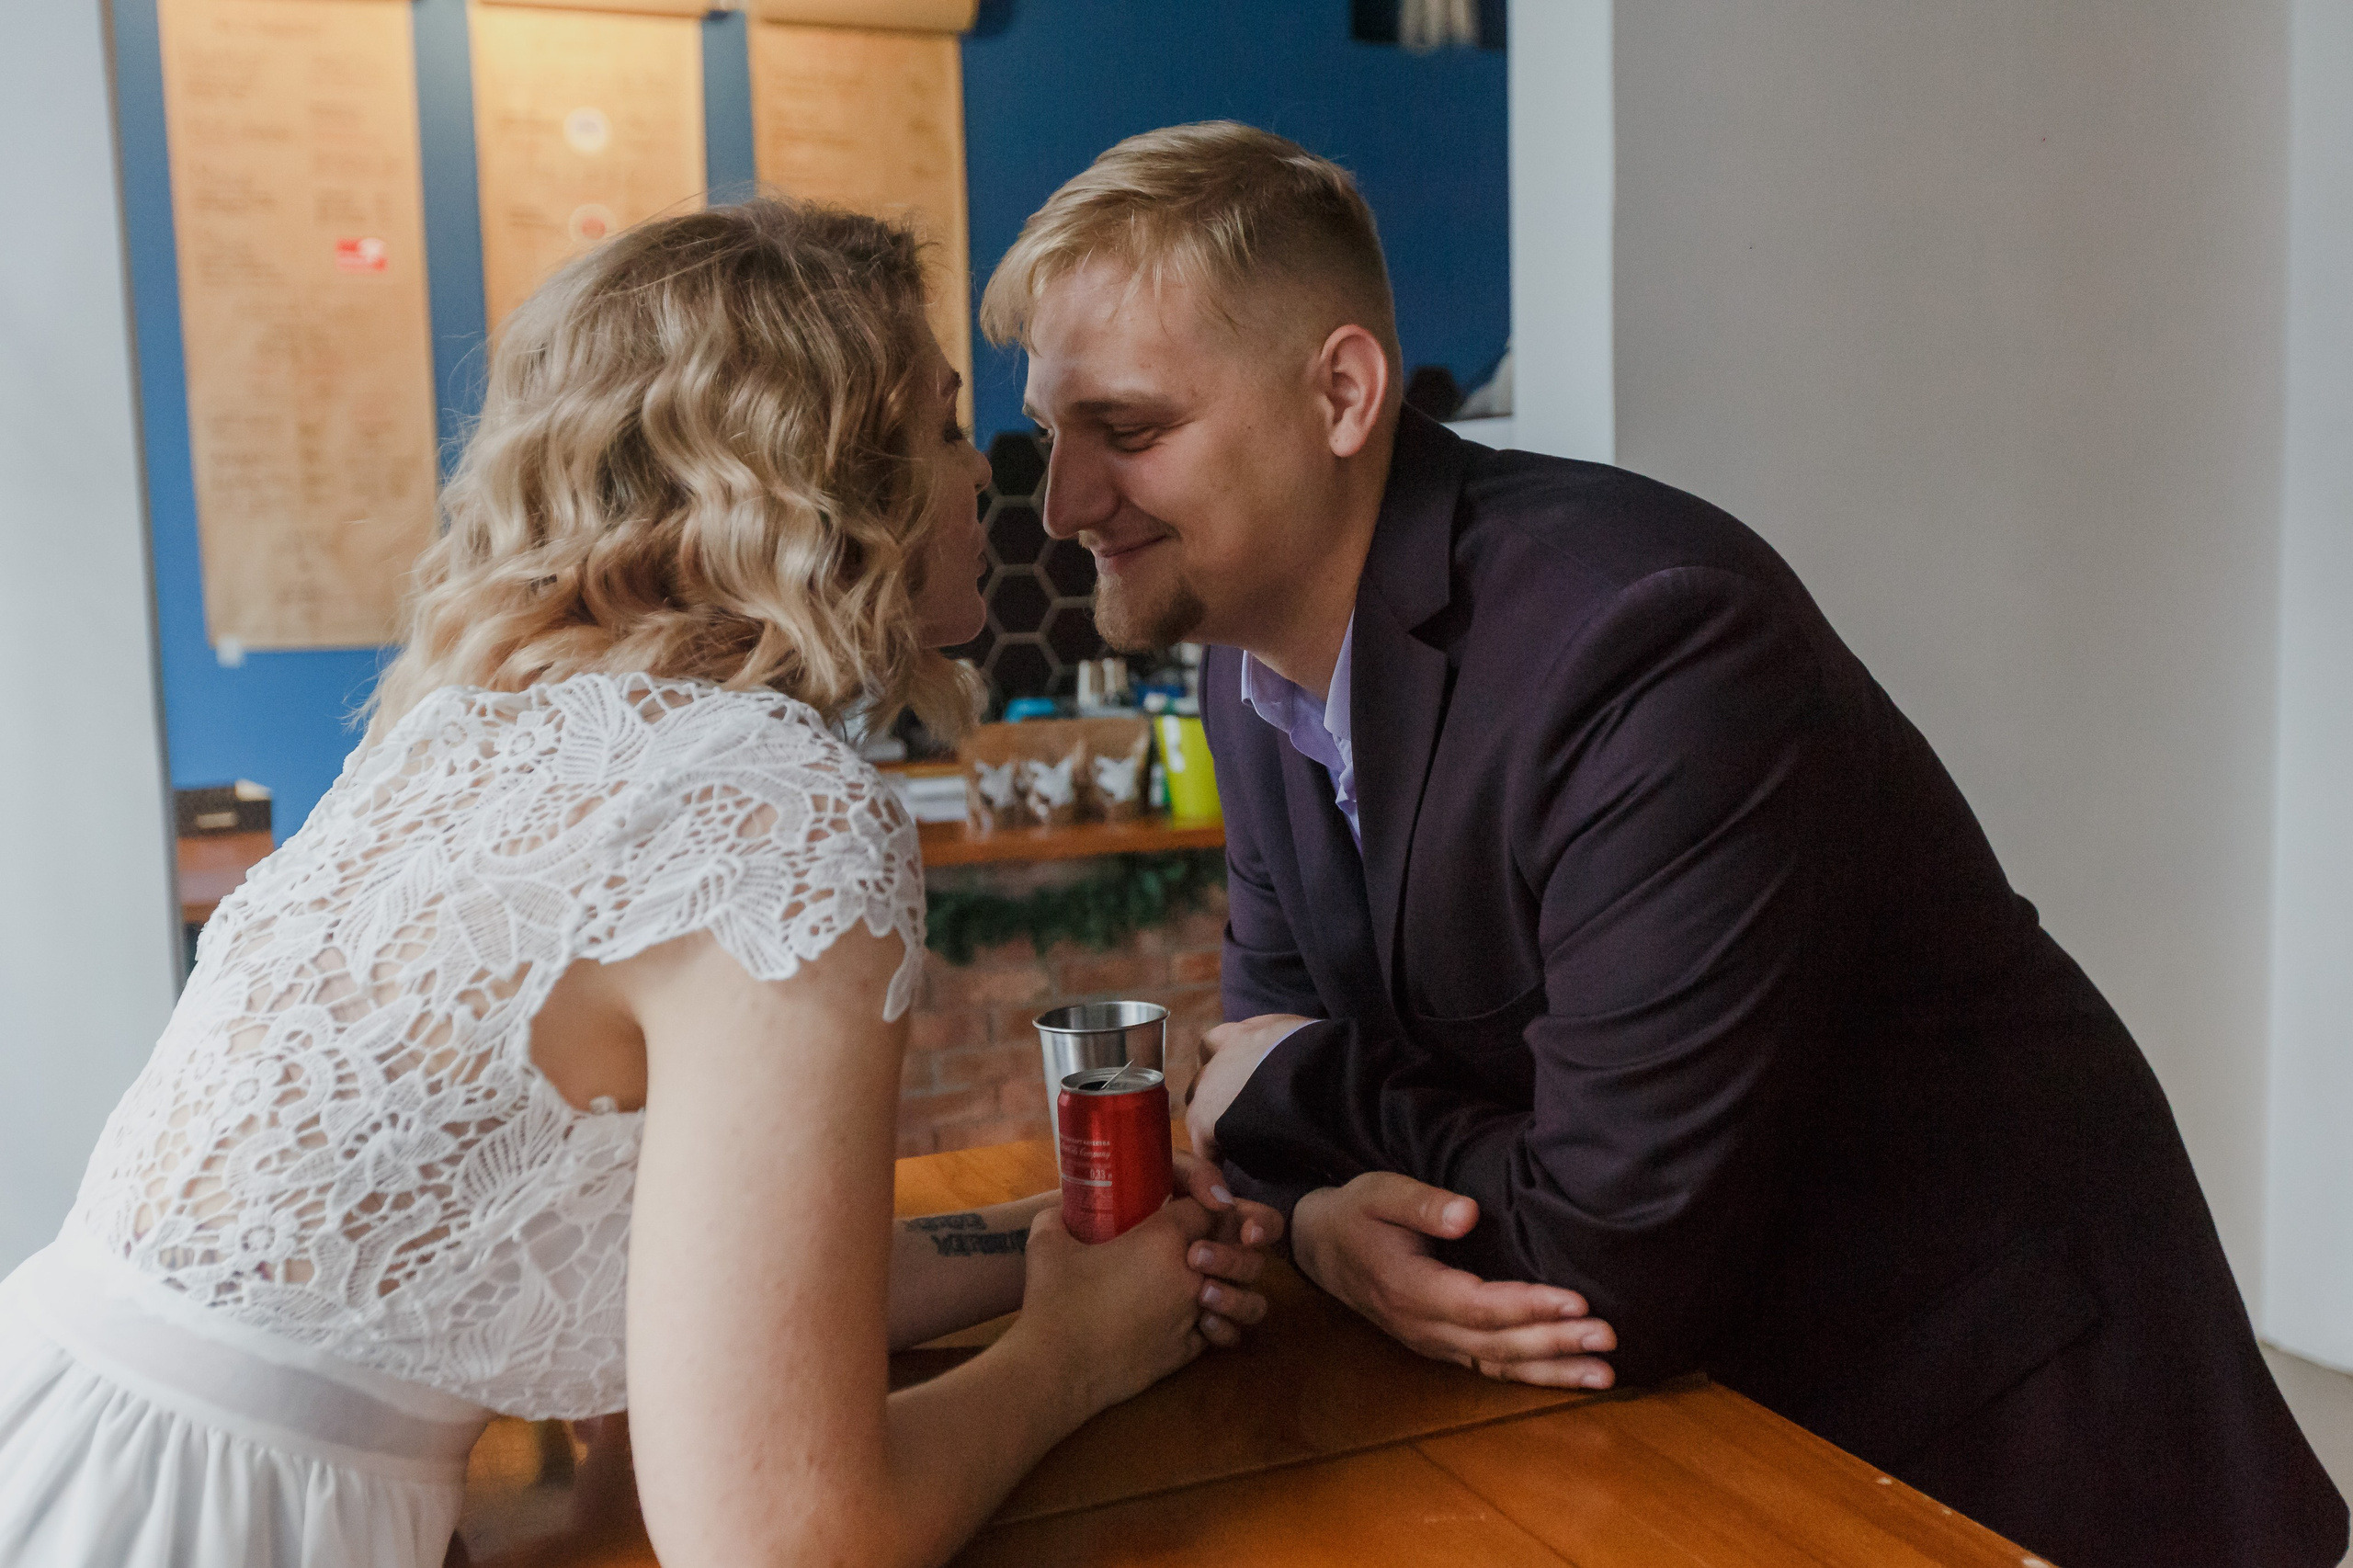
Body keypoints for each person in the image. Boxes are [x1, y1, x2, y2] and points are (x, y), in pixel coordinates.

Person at [980, 120, 2349, 1568]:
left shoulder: (1649, 640)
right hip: (1712, 1399)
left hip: (2002, 1419)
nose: (1064, 504)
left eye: (1128, 432)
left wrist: (1296, 1102)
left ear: (1341, 392)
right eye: (1048, 438)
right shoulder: (1244, 669)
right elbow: (1253, 1098)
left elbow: (1591, 1249)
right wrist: (1316, 1216)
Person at [0, 197, 1282, 1568]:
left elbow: (719, 1295)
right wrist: (1068, 1354)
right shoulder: (768, 806)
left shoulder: (472, 730)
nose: (990, 479)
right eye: (950, 425)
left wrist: (1050, 1240)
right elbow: (787, 1535)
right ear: (825, 478)